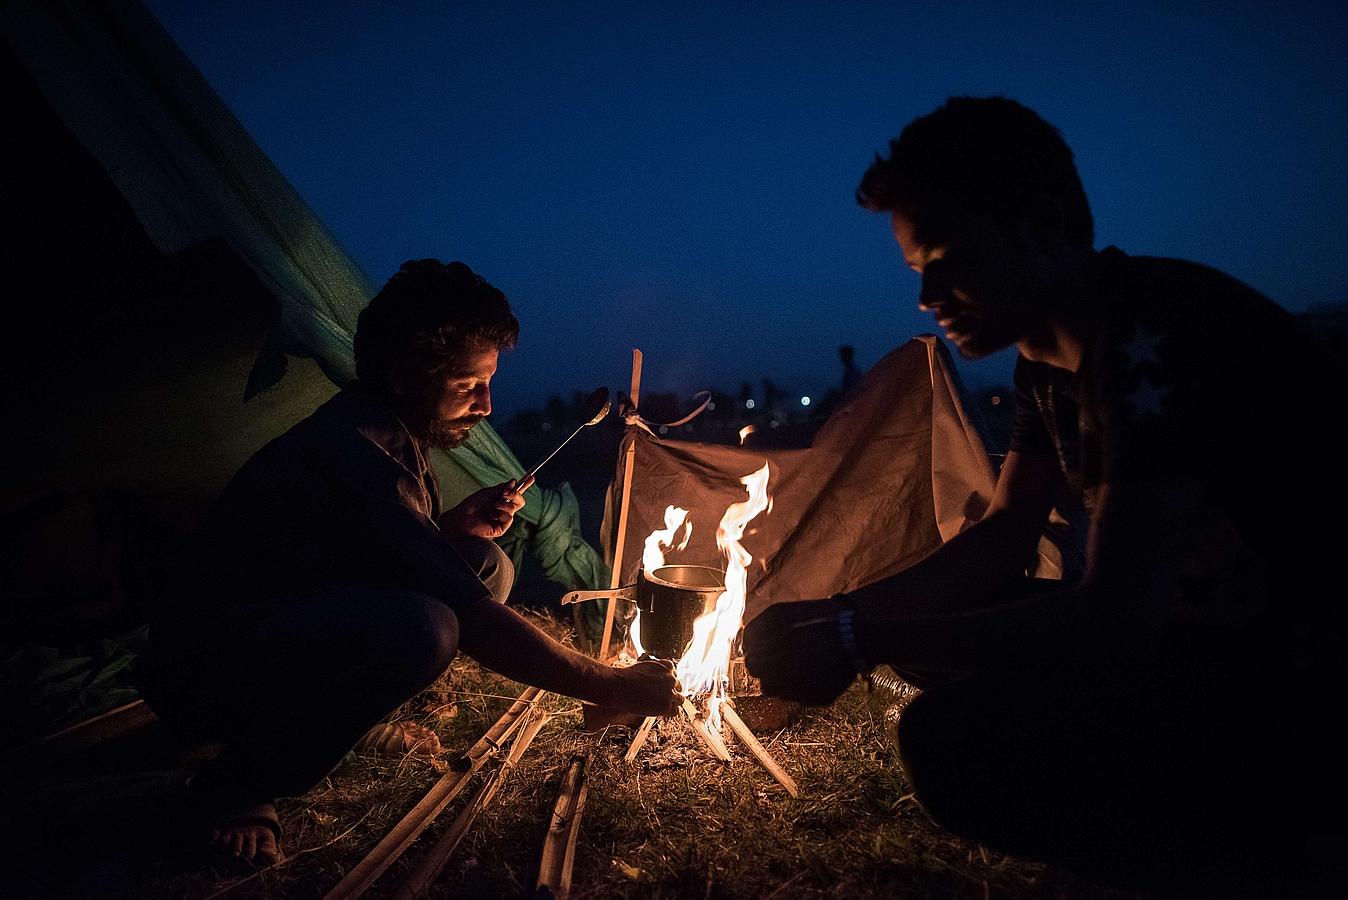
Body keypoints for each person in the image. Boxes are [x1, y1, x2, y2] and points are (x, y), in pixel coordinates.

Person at [743, 97, 1347, 894]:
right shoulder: (1045, 368)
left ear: (1043, 223)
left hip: (1298, 675)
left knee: (948, 741)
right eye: (916, 268)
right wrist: (843, 615)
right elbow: (1003, 535)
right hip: (1200, 634)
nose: (928, 294)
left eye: (949, 255)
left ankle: (1243, 859)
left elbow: (1114, 615)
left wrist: (858, 637)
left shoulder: (1150, 338)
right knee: (933, 638)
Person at [137, 260, 680, 867]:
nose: (486, 404)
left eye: (488, 382)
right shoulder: (353, 454)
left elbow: (349, 557)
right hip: (208, 671)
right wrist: (609, 683)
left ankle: (341, 719)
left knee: (483, 563)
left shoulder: (392, 426)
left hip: (287, 618)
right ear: (404, 373)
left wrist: (446, 530)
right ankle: (237, 781)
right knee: (427, 629)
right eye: (466, 385)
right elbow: (473, 622)